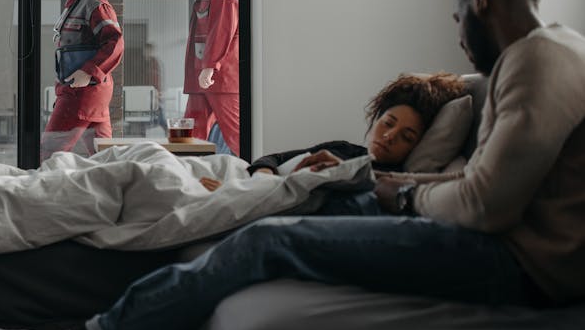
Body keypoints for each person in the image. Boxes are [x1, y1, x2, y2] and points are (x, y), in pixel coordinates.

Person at [0, 0, 585, 330]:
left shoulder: (539, 59)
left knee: (263, 243)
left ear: (482, 1)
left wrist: (408, 195)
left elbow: (485, 204)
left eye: (457, 19)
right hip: (502, 245)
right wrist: (388, 182)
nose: (456, 36)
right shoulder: (547, 55)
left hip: (519, 266)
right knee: (309, 201)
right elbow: (490, 184)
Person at [198, 72, 466, 192]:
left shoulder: (388, 183)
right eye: (388, 122)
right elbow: (272, 158)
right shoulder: (343, 148)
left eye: (406, 137)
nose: (389, 136)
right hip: (250, 184)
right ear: (376, 119)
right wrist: (260, 180)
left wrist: (241, 193)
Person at [40, 0, 124, 162]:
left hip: (82, 94)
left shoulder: (95, 5)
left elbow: (115, 43)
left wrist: (88, 72)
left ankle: (44, 196)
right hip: (89, 93)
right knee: (105, 157)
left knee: (49, 154)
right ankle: (116, 192)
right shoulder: (77, 2)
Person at [183, 0, 240, 156]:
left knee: (237, 134)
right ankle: (189, 181)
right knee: (190, 136)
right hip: (204, 74)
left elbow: (223, 28)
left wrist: (210, 66)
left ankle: (260, 176)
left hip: (219, 76)